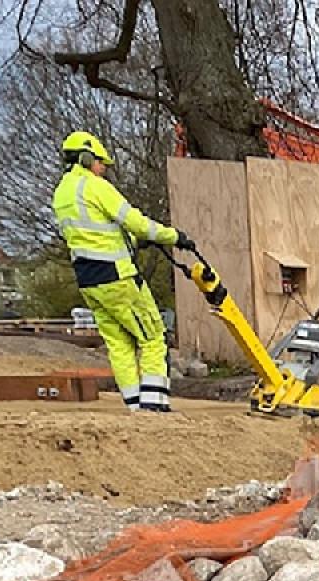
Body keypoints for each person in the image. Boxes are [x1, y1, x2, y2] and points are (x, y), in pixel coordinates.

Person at [50, 131, 192, 413]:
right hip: (117, 276)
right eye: (101, 163)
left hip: (89, 282)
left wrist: (136, 242)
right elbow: (136, 223)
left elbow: (95, 234)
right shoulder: (95, 186)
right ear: (87, 158)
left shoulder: (62, 194)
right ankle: (152, 410)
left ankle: (135, 407)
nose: (103, 169)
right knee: (153, 337)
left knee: (119, 344)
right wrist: (173, 236)